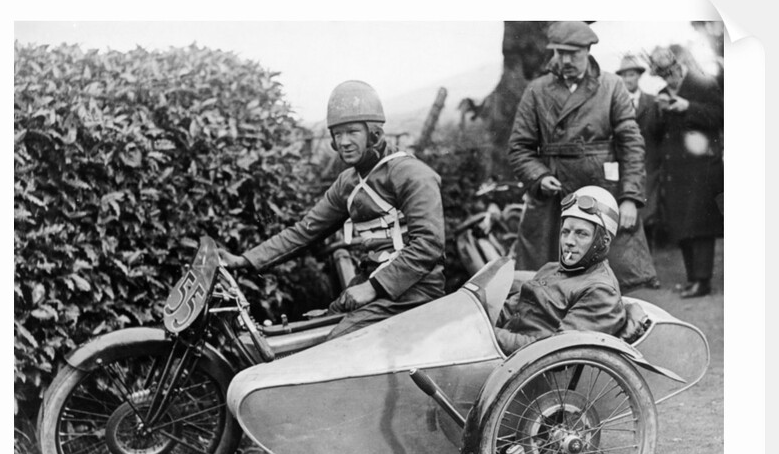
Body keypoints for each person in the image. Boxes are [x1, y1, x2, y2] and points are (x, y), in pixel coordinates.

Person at [219, 80, 446, 339]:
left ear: (373, 133)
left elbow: (429, 244)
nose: (344, 141)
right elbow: (305, 231)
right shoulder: (348, 182)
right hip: (373, 284)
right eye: (338, 134)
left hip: (415, 291)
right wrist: (245, 260)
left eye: (352, 132)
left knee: (336, 346)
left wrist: (373, 287)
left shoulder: (411, 174)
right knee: (308, 332)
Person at [508, 21, 659, 292]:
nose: (565, 60)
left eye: (573, 53)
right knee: (547, 284)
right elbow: (519, 147)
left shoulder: (611, 85)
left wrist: (630, 198)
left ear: (588, 51)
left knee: (612, 283)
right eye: (560, 52)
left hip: (603, 192)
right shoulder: (536, 90)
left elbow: (631, 144)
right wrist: (538, 176)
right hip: (554, 197)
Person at [494, 186, 628, 355]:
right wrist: (479, 322)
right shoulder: (551, 268)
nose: (569, 241)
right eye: (565, 232)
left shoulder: (600, 290)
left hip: (526, 362)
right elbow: (510, 308)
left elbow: (557, 350)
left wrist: (491, 336)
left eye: (581, 234)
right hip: (500, 349)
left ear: (602, 241)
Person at [649, 47, 724, 298]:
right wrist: (660, 112)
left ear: (678, 67)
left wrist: (688, 107)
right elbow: (656, 133)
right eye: (662, 75)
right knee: (682, 224)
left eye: (669, 73)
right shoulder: (662, 93)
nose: (668, 79)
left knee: (699, 225)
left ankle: (702, 281)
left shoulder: (703, 84)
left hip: (701, 168)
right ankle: (692, 278)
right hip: (676, 171)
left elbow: (720, 116)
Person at [616, 53, 664, 250]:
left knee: (648, 215)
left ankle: (648, 255)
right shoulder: (615, 104)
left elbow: (660, 134)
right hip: (624, 168)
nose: (628, 79)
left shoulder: (653, 102)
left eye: (632, 74)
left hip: (649, 168)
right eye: (624, 75)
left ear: (639, 76)